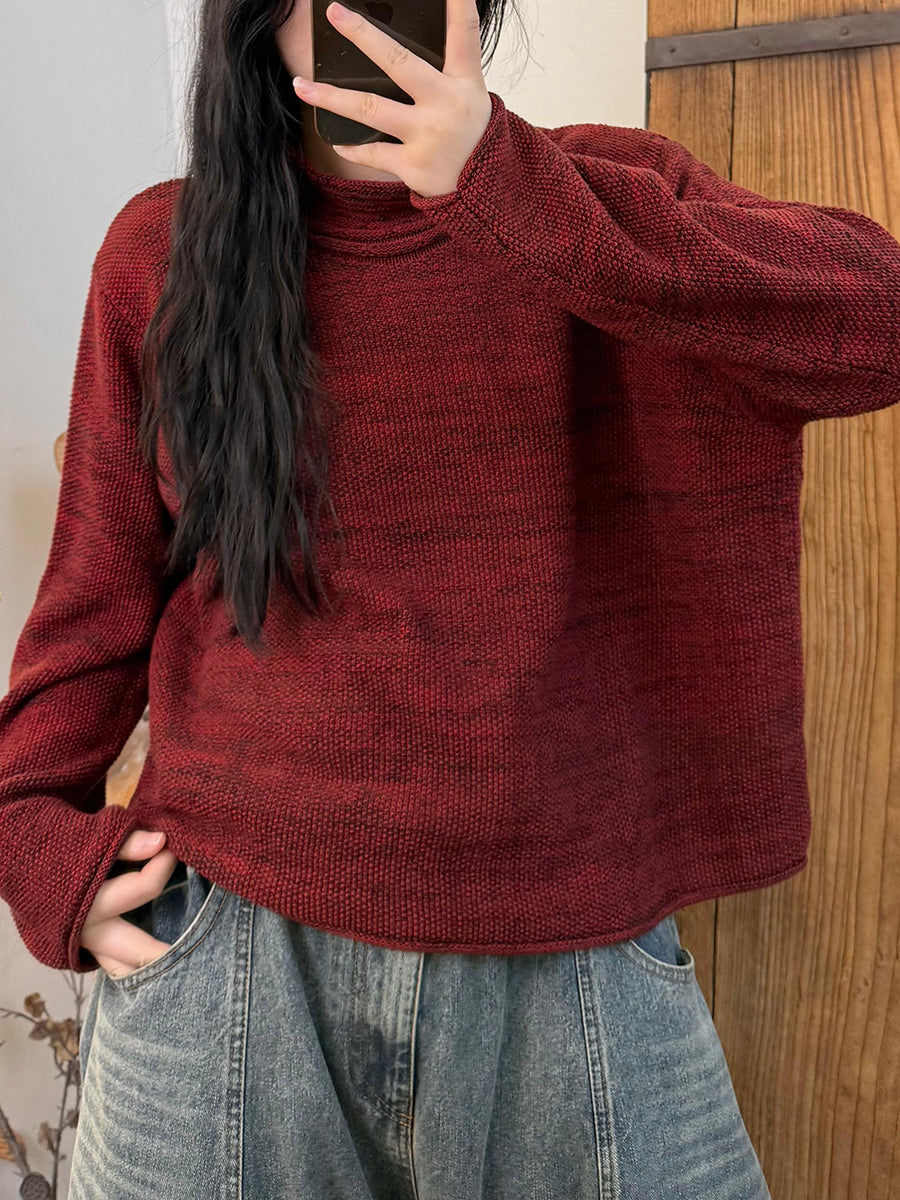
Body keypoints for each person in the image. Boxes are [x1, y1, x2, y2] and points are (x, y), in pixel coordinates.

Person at [3, 0, 900, 1195]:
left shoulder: (603, 191)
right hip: (229, 951)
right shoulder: (165, 254)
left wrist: (508, 188)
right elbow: (95, 603)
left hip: (575, 957)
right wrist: (26, 832)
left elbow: (876, 320)